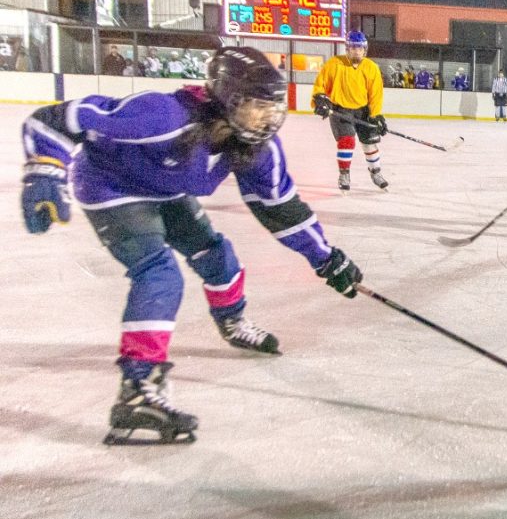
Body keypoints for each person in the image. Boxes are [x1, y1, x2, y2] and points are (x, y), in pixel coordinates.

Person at [19, 46, 365, 445]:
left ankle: (233, 323)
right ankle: (137, 392)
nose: (266, 120)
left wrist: (325, 259)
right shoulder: (162, 117)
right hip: (112, 188)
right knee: (160, 276)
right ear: (223, 98)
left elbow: (281, 209)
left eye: (273, 110)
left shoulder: (256, 149)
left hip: (168, 191)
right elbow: (54, 119)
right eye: (255, 107)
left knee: (219, 256)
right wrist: (45, 172)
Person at [311, 30, 388, 192]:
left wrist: (375, 115)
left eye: (359, 48)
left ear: (364, 49)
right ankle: (344, 174)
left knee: (370, 143)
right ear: (347, 48)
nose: (356, 51)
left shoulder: (371, 68)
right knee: (347, 142)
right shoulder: (334, 64)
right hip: (341, 110)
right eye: (353, 47)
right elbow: (320, 85)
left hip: (363, 111)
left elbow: (376, 94)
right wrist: (319, 98)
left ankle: (376, 173)